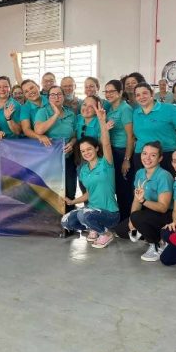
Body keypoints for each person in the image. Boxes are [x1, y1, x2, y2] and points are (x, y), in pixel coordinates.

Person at [61, 106, 119, 248]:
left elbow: (106, 143)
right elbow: (89, 193)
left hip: (109, 213)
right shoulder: (84, 170)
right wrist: (73, 201)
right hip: (91, 211)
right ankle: (94, 228)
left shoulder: (106, 163)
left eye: (89, 149)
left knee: (84, 215)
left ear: (96, 148)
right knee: (66, 221)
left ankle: (105, 233)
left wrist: (101, 121)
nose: (86, 153)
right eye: (83, 151)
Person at [114, 141, 173, 261]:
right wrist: (132, 221)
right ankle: (153, 234)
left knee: (137, 218)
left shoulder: (164, 176)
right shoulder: (140, 173)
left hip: (167, 216)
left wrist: (143, 202)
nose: (147, 158)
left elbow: (163, 208)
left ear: (160, 158)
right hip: (150, 213)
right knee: (121, 230)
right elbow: (136, 200)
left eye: (153, 155)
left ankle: (157, 244)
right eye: (144, 153)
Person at [34, 85, 77, 212]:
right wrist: (56, 114)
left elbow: (74, 135)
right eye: (53, 95)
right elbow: (39, 130)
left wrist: (72, 144)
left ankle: (69, 219)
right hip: (50, 159)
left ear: (63, 97)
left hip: (68, 158)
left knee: (70, 190)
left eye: (59, 94)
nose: (56, 97)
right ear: (48, 98)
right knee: (51, 192)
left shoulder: (70, 114)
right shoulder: (43, 112)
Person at [132, 82, 176, 175]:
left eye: (145, 93)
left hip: (166, 154)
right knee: (143, 183)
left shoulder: (169, 109)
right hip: (142, 155)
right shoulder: (136, 113)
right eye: (138, 95)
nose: (141, 97)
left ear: (152, 93)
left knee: (167, 183)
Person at [104, 80, 134, 220]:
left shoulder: (125, 109)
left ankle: (127, 221)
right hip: (113, 151)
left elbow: (130, 136)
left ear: (120, 92)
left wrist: (126, 159)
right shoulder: (110, 109)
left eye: (112, 91)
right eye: (106, 91)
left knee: (124, 189)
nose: (108, 94)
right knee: (116, 187)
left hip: (123, 152)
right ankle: (119, 218)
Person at [18, 80, 51, 146]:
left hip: (58, 138)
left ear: (38, 87)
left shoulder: (50, 99)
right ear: (24, 95)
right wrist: (39, 136)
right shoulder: (24, 108)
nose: (30, 92)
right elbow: (26, 129)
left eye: (31, 88)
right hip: (39, 142)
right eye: (26, 91)